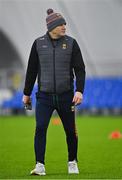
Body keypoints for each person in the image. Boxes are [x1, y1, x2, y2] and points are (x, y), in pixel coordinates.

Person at [22, 8, 86, 176]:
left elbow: (80, 69)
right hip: (44, 96)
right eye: (61, 24)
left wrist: (79, 91)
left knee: (71, 131)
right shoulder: (38, 43)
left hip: (66, 96)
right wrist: (26, 93)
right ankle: (39, 165)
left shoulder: (72, 43)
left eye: (65, 23)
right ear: (52, 26)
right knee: (40, 128)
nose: (65, 26)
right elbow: (31, 70)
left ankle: (72, 162)